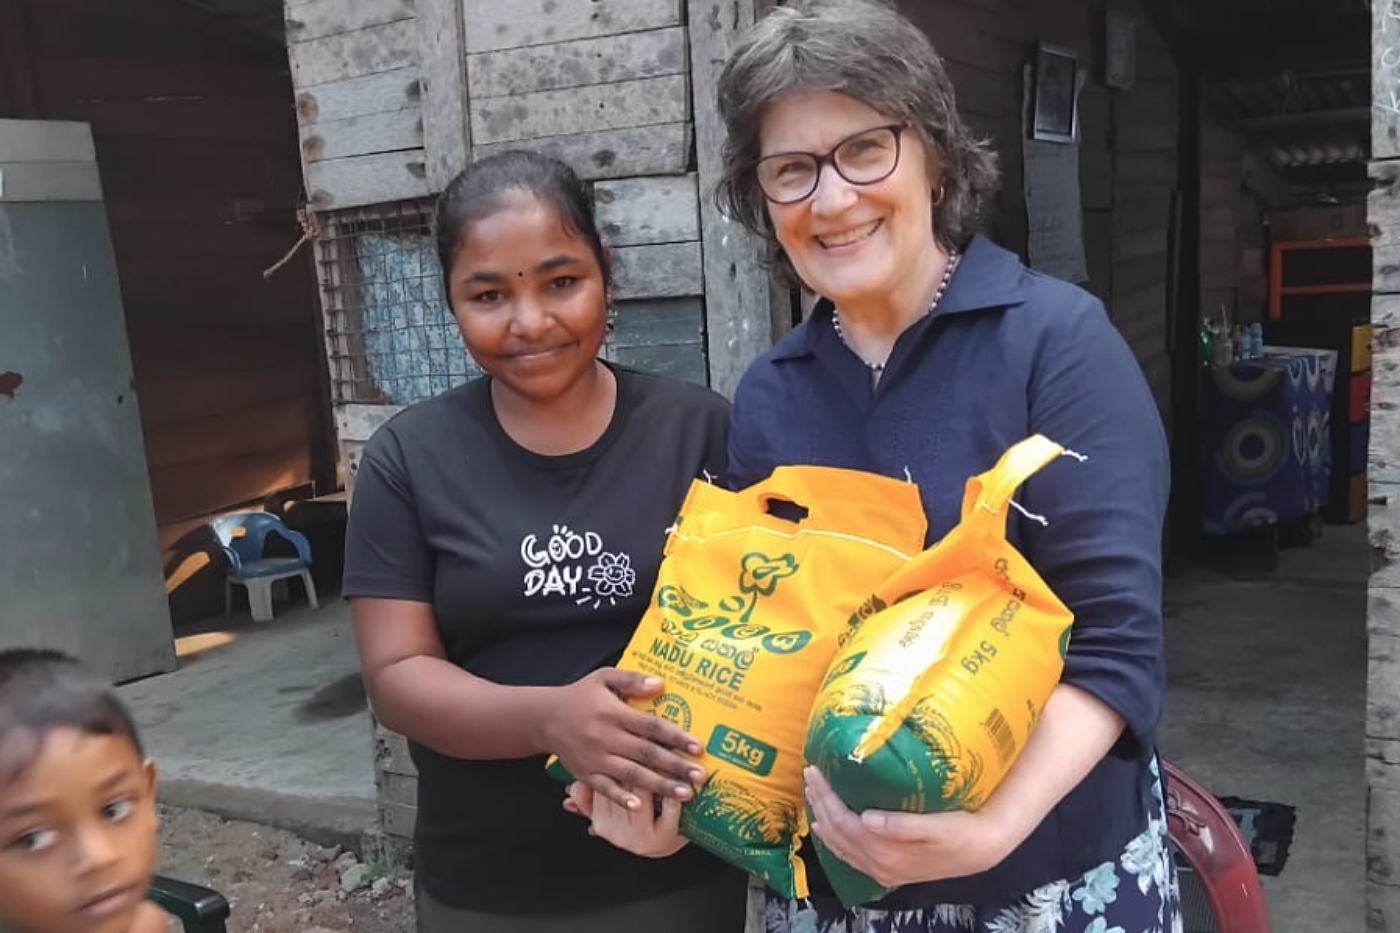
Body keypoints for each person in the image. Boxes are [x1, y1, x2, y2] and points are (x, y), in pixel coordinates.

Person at [710, 1, 1182, 931]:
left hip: (1045, 877)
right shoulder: (770, 393)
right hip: (839, 892)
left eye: (865, 149)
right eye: (792, 169)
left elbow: (1117, 647)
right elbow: (766, 643)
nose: (831, 200)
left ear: (933, 154)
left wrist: (994, 827)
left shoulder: (1057, 344)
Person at [342, 149, 747, 931]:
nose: (529, 321)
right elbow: (396, 675)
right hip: (489, 881)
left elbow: (758, 631)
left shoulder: (697, 429)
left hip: (675, 859)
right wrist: (550, 718)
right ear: (451, 301)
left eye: (561, 282)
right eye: (489, 294)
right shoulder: (409, 458)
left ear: (606, 277)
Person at [0, 648, 165, 933]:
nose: (98, 857)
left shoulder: (146, 925)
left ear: (148, 792)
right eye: (32, 839)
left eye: (113, 810)